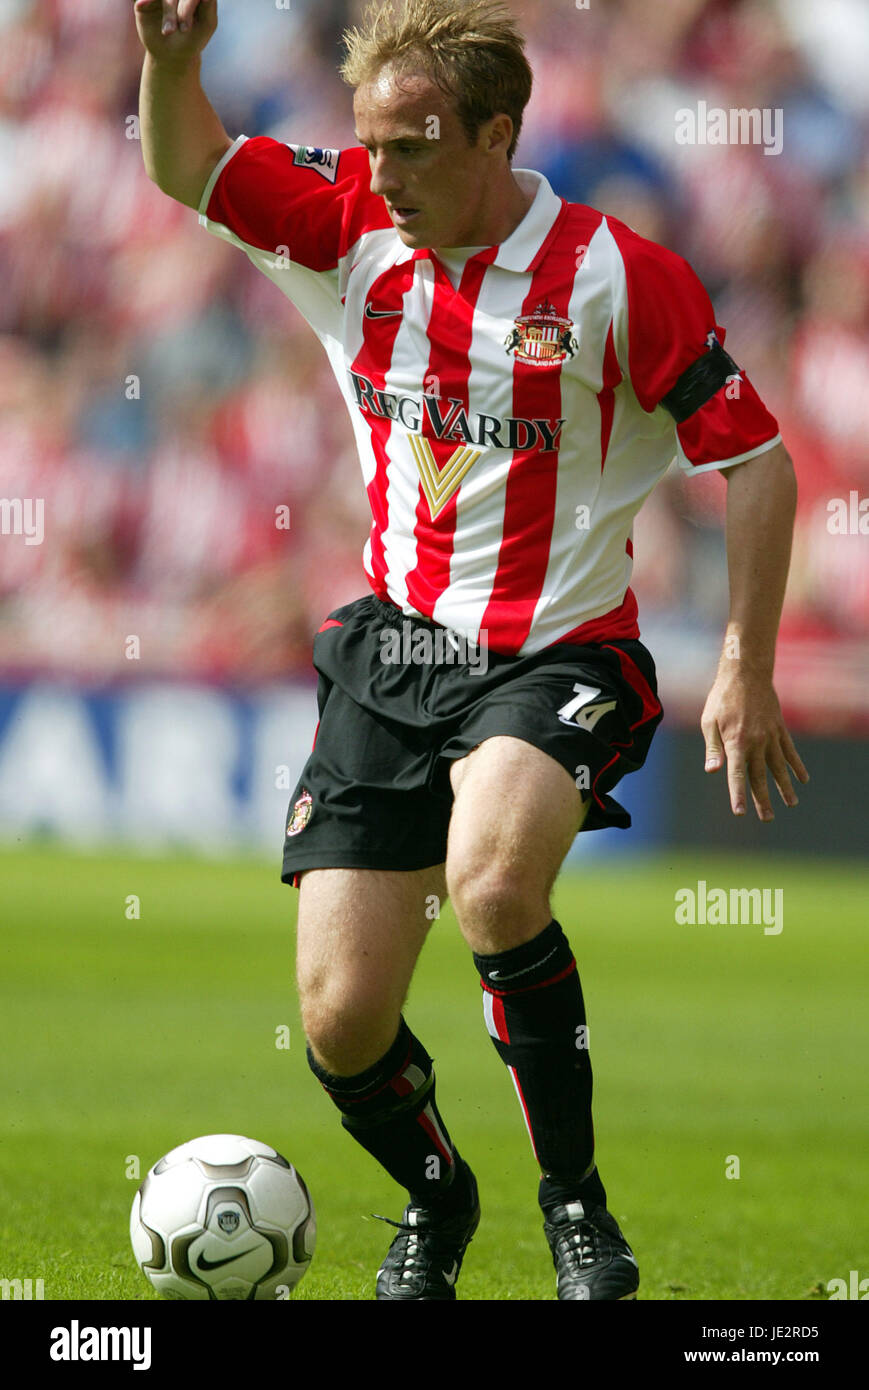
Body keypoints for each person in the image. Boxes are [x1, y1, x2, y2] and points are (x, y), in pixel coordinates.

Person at [134, 0, 809, 1301]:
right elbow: (186, 165)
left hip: (558, 655)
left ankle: (576, 1211)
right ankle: (437, 1199)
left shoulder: (616, 276)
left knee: (493, 886)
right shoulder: (348, 226)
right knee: (337, 1016)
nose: (381, 174)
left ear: (498, 134)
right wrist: (173, 66)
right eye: (370, 143)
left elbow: (759, 461)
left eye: (416, 145)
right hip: (391, 654)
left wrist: (745, 657)